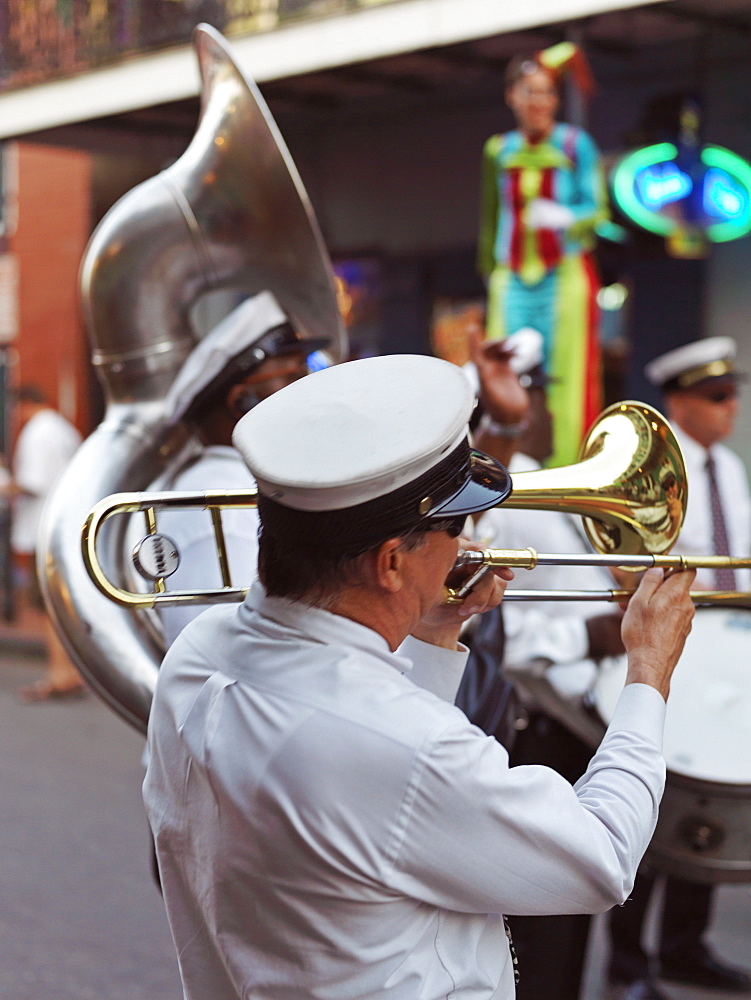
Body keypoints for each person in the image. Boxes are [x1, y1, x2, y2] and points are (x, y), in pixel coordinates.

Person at [143, 352, 696, 1000]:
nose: (464, 547)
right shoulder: (399, 743)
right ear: (389, 563)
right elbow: (599, 858)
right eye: (453, 527)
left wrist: (432, 632)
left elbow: (378, 806)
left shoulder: (199, 652)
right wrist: (648, 669)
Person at [462, 328, 626, 1000]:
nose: (548, 407)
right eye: (537, 393)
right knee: (541, 929)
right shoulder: (512, 491)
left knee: (562, 928)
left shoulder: (537, 480)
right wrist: (590, 634)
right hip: (533, 722)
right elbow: (480, 614)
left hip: (574, 712)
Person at [607, 335, 751, 1000]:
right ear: (678, 401)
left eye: (732, 395)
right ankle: (626, 961)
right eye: (715, 397)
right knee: (654, 799)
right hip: (672, 645)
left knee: (707, 793)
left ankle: (682, 947)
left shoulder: (729, 470)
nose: (730, 408)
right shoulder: (658, 475)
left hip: (726, 643)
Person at [150, 290, 330, 646]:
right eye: (294, 373)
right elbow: (218, 659)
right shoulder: (219, 509)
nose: (310, 387)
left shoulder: (247, 486)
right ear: (241, 402)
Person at [477, 42, 608, 467]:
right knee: (504, 372)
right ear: (511, 96)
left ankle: (566, 467)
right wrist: (491, 272)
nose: (540, 102)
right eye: (530, 91)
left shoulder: (575, 144)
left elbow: (599, 212)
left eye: (548, 92)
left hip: (562, 277)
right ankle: (503, 465)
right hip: (512, 277)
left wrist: (565, 217)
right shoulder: (499, 150)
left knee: (564, 380)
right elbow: (490, 220)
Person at [1, 384, 84, 701]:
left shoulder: (39, 432)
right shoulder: (61, 428)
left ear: (23, 404)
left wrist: (6, 486)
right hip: (64, 524)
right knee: (61, 602)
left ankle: (60, 673)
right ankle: (71, 671)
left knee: (49, 604)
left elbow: (32, 482)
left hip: (44, 528)